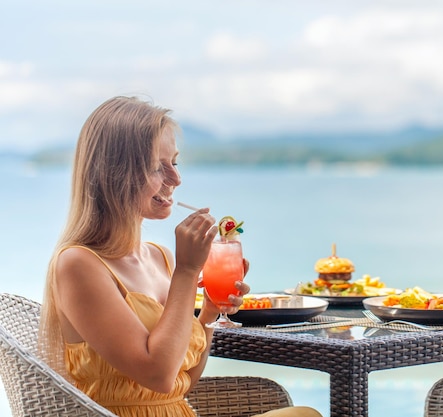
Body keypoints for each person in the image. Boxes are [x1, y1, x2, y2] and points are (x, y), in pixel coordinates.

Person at [38, 96, 322, 417]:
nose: (176, 179)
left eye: (175, 162)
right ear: (114, 173)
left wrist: (211, 313)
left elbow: (181, 383)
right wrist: (187, 272)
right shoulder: (78, 264)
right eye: (158, 167)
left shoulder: (159, 257)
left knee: (305, 414)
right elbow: (157, 374)